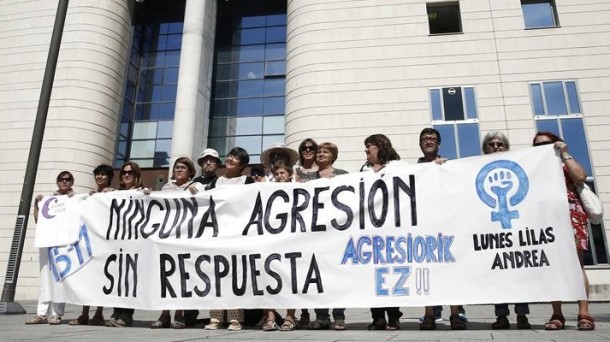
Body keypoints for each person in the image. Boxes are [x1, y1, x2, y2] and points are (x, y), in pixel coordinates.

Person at [533, 131, 595, 331]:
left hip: (571, 217)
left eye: (547, 143)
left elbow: (580, 177)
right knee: (552, 266)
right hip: (547, 219)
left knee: (577, 265)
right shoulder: (535, 167)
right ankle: (557, 313)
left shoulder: (565, 163)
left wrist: (565, 153)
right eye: (537, 145)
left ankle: (584, 312)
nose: (542, 147)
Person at [416, 128, 467, 330]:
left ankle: (455, 314)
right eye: (425, 139)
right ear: (420, 143)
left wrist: (444, 169)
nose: (428, 141)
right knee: (425, 268)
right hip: (423, 225)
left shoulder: (448, 165)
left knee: (450, 266)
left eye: (432, 139)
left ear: (438, 144)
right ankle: (428, 314)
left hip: (446, 224)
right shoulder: (413, 168)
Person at [481, 131, 531, 329]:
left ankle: (522, 315)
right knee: (498, 274)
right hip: (490, 231)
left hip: (514, 230)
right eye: (491, 144)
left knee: (517, 273)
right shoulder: (476, 168)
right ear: (485, 148)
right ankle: (501, 315)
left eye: (500, 144)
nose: (495, 147)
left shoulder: (518, 164)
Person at [151, 157, 205, 329]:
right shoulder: (167, 187)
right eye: (177, 167)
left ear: (190, 171)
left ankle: (179, 314)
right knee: (166, 275)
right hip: (168, 237)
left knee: (183, 276)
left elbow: (205, 202)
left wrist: (195, 191)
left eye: (183, 167)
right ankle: (164, 314)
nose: (179, 170)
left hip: (187, 238)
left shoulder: (196, 185)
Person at [204, 147, 254, 331]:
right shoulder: (217, 181)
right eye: (230, 155)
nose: (231, 159)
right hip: (218, 234)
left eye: (236, 157)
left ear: (242, 164)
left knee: (235, 275)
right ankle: (215, 318)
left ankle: (235, 318)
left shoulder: (246, 181)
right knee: (216, 274)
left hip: (238, 234)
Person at [360, 134, 404, 330]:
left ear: (380, 146)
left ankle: (394, 315)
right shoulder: (364, 170)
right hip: (371, 231)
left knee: (391, 273)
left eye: (369, 146)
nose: (366, 151)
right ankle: (377, 316)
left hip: (393, 229)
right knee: (372, 276)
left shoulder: (399, 166)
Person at [305, 142, 348, 331]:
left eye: (326, 151)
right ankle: (321, 316)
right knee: (317, 275)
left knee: (337, 275)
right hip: (315, 234)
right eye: (319, 151)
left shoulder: (344, 175)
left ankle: (339, 316)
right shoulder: (307, 178)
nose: (321, 154)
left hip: (336, 233)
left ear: (334, 156)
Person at [26, 171, 76, 325]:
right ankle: (41, 314)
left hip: (64, 244)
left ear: (71, 182)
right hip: (47, 242)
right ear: (57, 181)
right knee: (45, 278)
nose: (64, 182)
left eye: (68, 180)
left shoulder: (74, 199)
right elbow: (38, 220)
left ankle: (57, 313)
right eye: (62, 179)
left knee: (60, 278)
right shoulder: (48, 201)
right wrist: (37, 204)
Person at [68, 165, 114, 326]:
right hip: (89, 242)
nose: (100, 177)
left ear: (109, 177)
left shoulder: (113, 194)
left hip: (105, 241)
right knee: (88, 278)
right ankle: (84, 314)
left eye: (103, 175)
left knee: (101, 277)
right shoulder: (90, 195)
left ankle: (99, 313)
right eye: (98, 174)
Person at [106, 161, 148, 327]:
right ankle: (116, 312)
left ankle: (127, 314)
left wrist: (147, 195)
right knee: (118, 277)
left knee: (130, 278)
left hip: (135, 242)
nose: (127, 175)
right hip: (117, 242)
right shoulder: (115, 194)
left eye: (130, 172)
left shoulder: (142, 192)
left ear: (137, 175)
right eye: (124, 172)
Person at [260, 161, 298, 331]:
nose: (279, 176)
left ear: (290, 174)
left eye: (283, 173)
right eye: (277, 174)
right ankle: (270, 317)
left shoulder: (299, 188)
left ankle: (290, 316)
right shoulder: (268, 189)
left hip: (291, 240)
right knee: (268, 277)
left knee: (292, 278)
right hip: (271, 240)